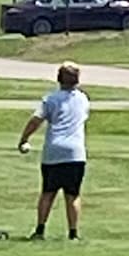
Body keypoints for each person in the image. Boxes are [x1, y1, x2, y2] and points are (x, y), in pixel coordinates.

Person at [18, 61, 90, 240]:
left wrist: (24, 139)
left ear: (59, 79)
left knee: (48, 192)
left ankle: (40, 229)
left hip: (54, 152)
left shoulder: (50, 99)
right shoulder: (83, 99)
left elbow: (36, 120)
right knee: (72, 194)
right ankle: (73, 233)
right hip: (76, 153)